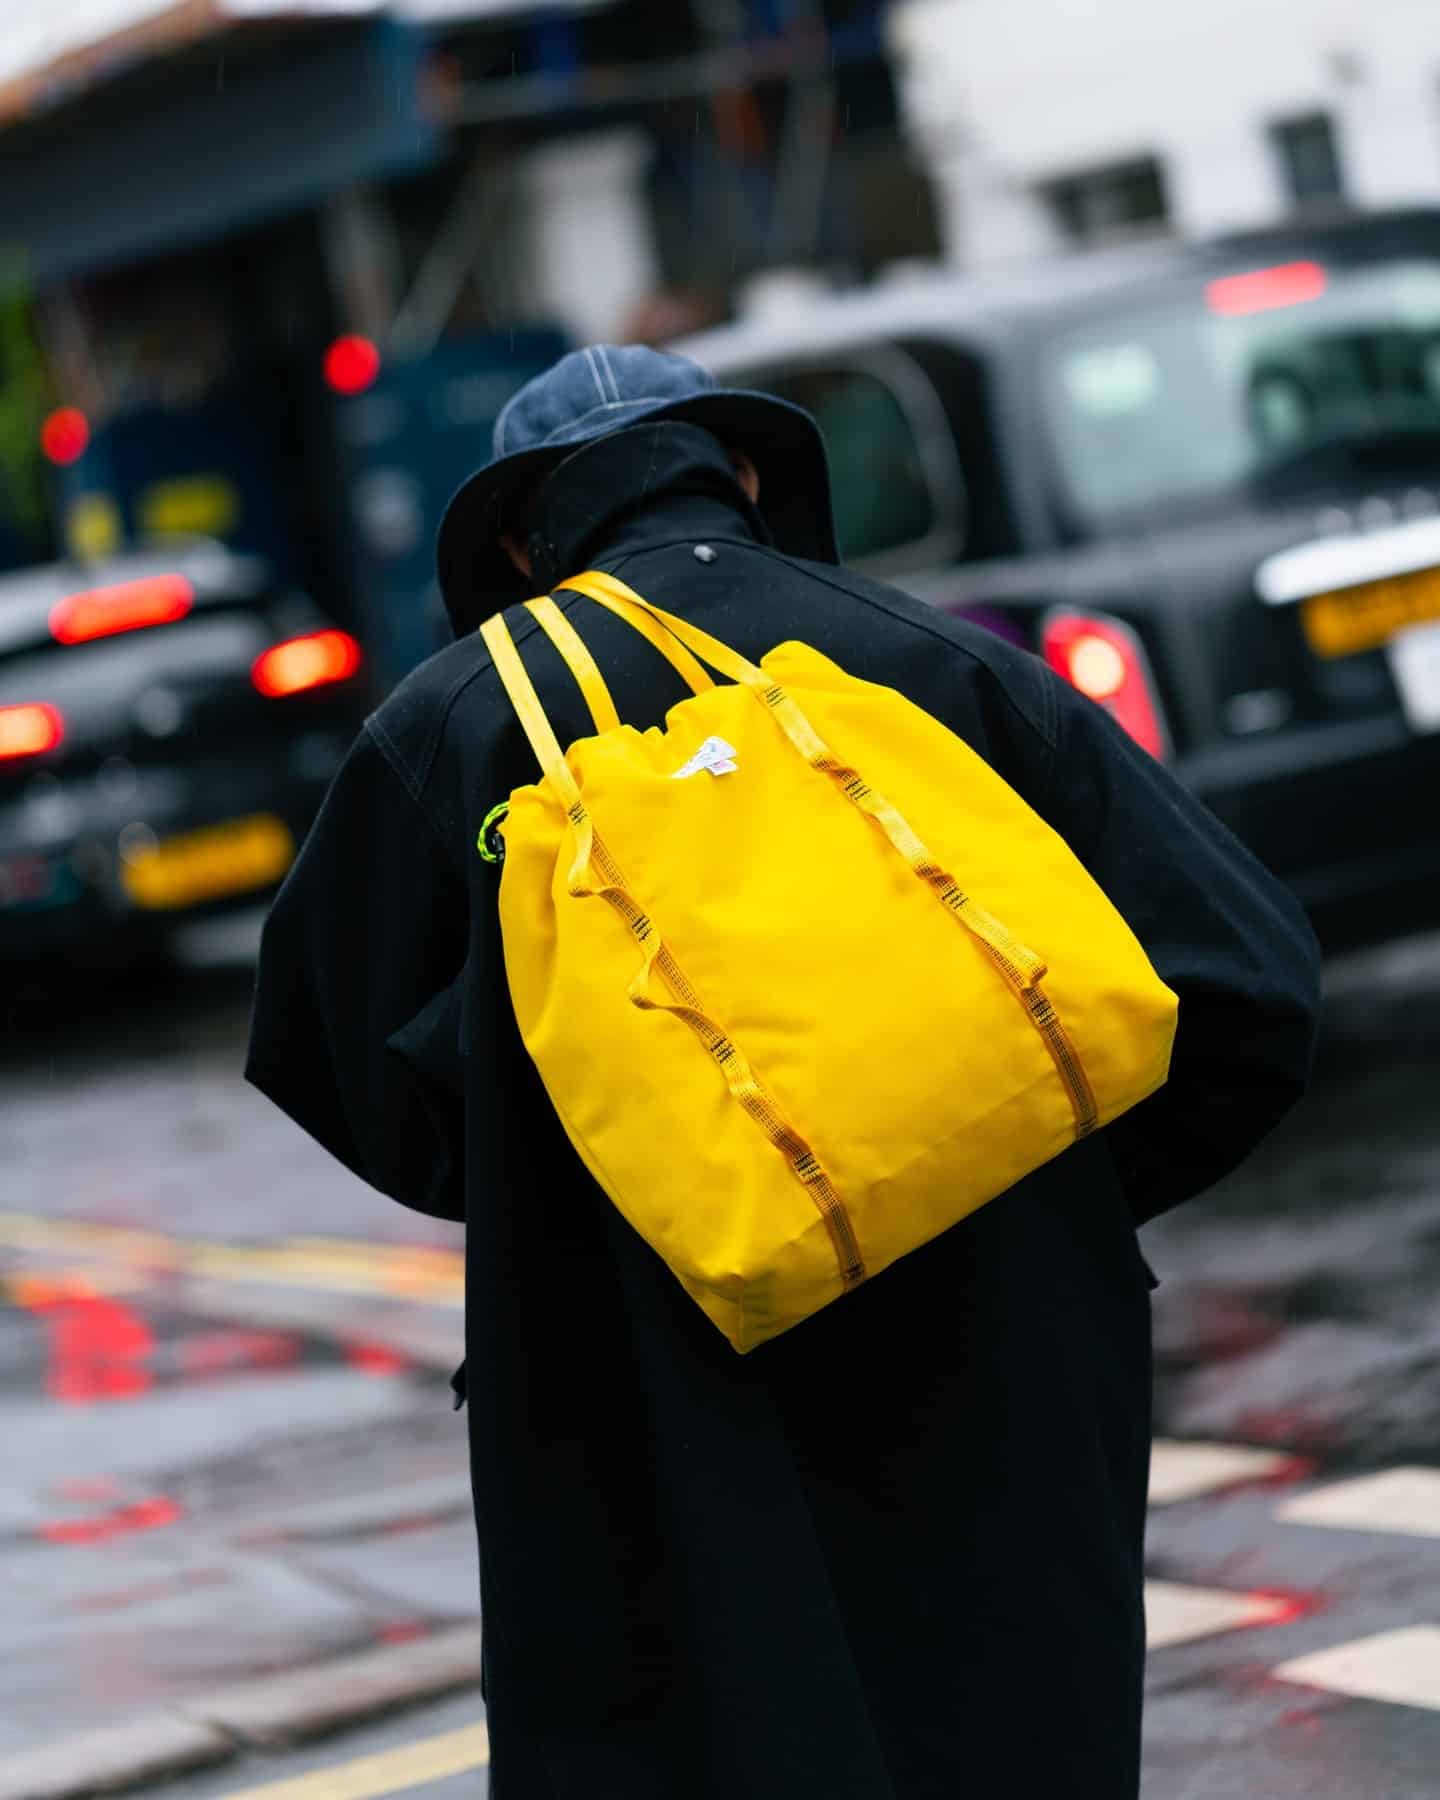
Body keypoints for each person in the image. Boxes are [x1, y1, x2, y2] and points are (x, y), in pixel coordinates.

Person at [247, 345, 1321, 1799]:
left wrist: (561, 1189)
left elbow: (322, 1052)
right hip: (1006, 1341)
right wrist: (1014, 1174)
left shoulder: (449, 724)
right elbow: (1249, 975)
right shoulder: (928, 654)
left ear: (518, 540)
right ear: (746, 474)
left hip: (632, 1377)